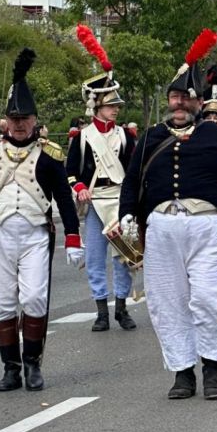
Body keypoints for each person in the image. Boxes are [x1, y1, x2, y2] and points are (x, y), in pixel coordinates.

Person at [118, 29, 217, 400]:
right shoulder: (150, 137)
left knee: (210, 300)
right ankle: (183, 372)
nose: (179, 104)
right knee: (167, 303)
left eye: (186, 98)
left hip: (208, 226)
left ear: (198, 102)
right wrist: (127, 214)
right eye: (175, 97)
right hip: (162, 228)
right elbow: (132, 180)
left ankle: (212, 369)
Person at [0, 49, 83, 392]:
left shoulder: (49, 157)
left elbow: (64, 198)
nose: (19, 124)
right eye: (14, 118)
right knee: (1, 302)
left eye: (25, 118)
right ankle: (10, 368)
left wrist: (73, 236)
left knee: (33, 299)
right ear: (6, 120)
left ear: (34, 120)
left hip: (33, 237)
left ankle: (32, 364)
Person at [66, 25, 136, 332]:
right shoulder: (83, 137)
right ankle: (101, 310)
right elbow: (70, 172)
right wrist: (80, 187)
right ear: (97, 106)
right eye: (111, 106)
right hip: (95, 202)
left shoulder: (126, 136)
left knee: (124, 256)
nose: (116, 110)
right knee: (95, 256)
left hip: (119, 199)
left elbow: (133, 171)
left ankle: (121, 307)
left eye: (117, 106)